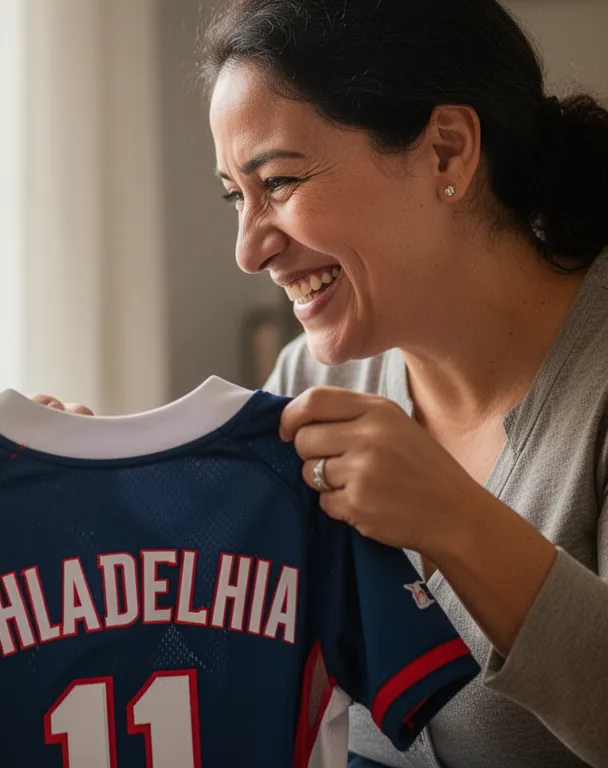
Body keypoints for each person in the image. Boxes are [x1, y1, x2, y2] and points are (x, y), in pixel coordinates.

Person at [199, 0, 608, 766]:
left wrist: (453, 518)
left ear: (448, 152)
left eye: (279, 181)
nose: (248, 250)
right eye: (235, 196)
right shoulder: (313, 378)